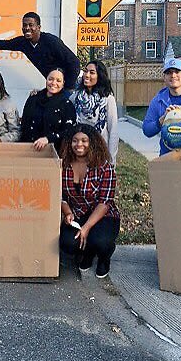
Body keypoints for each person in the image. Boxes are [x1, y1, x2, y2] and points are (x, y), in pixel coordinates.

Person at [0, 12, 80, 90]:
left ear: (39, 27)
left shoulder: (51, 41)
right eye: (24, 25)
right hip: (54, 86)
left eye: (31, 25)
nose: (27, 28)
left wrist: (68, 87)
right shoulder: (23, 43)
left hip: (68, 87)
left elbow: (74, 62)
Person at [59, 124, 120, 278]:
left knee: (100, 241)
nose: (79, 144)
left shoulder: (105, 167)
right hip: (77, 214)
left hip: (103, 215)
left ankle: (104, 257)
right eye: (75, 140)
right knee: (67, 243)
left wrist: (86, 228)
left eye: (84, 140)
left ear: (92, 143)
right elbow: (61, 196)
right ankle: (87, 252)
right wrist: (67, 213)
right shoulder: (63, 165)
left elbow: (105, 202)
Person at [70, 60, 119, 164]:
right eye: (85, 71)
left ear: (99, 76)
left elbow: (113, 130)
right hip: (79, 152)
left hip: (99, 153)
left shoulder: (107, 99)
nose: (87, 75)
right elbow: (60, 102)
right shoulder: (76, 97)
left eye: (92, 72)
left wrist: (111, 161)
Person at [20, 68, 76, 151]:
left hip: (53, 151)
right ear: (46, 80)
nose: (54, 83)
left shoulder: (67, 105)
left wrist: (48, 139)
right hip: (29, 150)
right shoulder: (33, 99)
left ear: (63, 83)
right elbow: (24, 125)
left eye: (58, 80)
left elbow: (69, 131)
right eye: (51, 79)